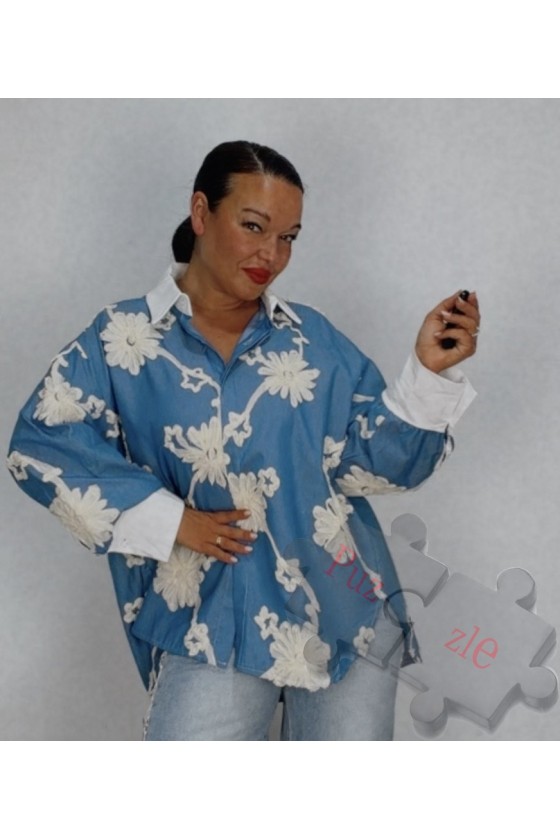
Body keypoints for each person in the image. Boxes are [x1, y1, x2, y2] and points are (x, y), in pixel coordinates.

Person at [7, 140, 480, 740]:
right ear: (201, 212)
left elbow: (373, 465)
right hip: (208, 618)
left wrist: (427, 375)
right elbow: (41, 443)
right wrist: (169, 520)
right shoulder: (122, 339)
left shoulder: (311, 340)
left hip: (346, 613)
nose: (271, 255)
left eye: (288, 237)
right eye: (254, 226)